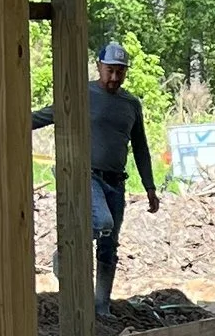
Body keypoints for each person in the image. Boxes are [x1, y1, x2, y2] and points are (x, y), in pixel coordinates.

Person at [32, 42, 158, 312]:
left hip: (116, 182)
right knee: (103, 222)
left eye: (120, 72)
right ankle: (66, 254)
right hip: (87, 176)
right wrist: (11, 123)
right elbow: (48, 115)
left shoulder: (131, 104)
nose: (114, 77)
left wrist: (149, 186)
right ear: (99, 67)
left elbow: (141, 147)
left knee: (109, 245)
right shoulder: (83, 94)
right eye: (110, 70)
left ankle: (101, 307)